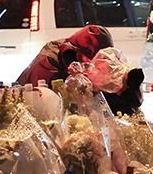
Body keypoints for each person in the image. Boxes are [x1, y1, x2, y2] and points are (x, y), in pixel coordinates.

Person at [16, 24, 144, 115]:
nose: (100, 65)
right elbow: (49, 97)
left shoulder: (83, 59)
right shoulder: (52, 58)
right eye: (98, 59)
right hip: (33, 107)